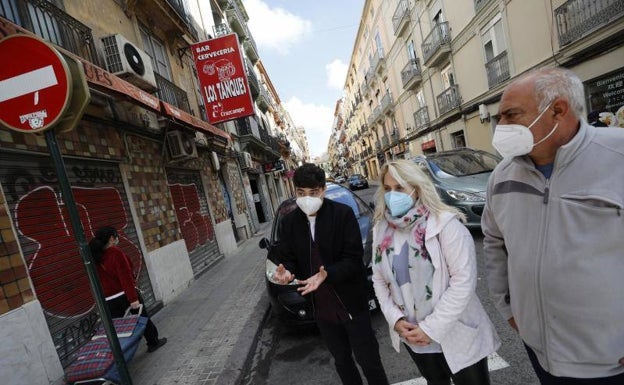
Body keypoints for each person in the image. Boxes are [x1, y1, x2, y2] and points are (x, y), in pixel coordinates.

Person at [482, 67, 624, 384]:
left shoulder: (618, 155)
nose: (500, 128)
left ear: (557, 110)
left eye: (510, 115)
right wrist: (507, 308)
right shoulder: (502, 178)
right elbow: (493, 243)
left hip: (611, 363)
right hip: (541, 353)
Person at [371, 159, 500, 385]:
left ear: (417, 188)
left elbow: (464, 282)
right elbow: (379, 280)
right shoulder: (381, 230)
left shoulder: (446, 225)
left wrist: (431, 329)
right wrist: (395, 319)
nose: (392, 195)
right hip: (415, 337)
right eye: (388, 189)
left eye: (400, 188)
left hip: (456, 331)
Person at [272, 163, 389, 385]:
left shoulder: (342, 215)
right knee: (342, 361)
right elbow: (289, 258)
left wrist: (328, 274)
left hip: (351, 303)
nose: (307, 198)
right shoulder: (289, 222)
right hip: (322, 308)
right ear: (294, 191)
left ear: (323, 190)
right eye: (301, 193)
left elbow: (354, 260)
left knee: (369, 360)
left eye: (313, 193)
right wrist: (286, 272)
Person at [89, 226, 167, 353]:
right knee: (142, 319)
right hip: (124, 295)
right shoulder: (115, 253)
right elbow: (125, 277)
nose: (117, 239)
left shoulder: (95, 256)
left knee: (118, 329)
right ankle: (153, 342)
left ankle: (122, 353)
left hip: (108, 300)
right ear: (111, 239)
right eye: (116, 236)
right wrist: (133, 298)